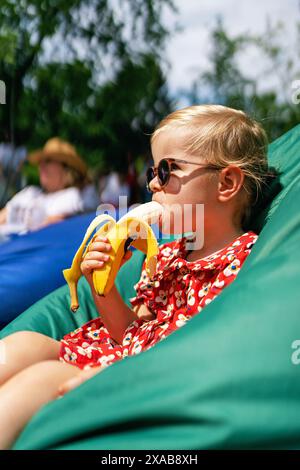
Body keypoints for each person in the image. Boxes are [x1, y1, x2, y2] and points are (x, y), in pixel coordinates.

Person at [0, 105, 271, 449]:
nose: (154, 184)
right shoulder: (167, 255)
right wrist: (104, 285)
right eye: (151, 172)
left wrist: (122, 376)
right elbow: (129, 330)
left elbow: (212, 350)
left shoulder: (242, 261)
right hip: (109, 352)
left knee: (40, 380)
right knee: (25, 343)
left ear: (227, 183)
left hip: (144, 376)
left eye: (167, 170)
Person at [0, 137, 98, 239]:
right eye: (41, 161)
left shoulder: (71, 196)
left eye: (48, 161)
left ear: (66, 169)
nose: (41, 165)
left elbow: (46, 232)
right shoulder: (30, 192)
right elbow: (3, 216)